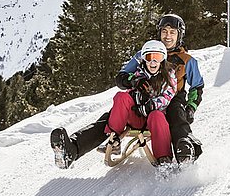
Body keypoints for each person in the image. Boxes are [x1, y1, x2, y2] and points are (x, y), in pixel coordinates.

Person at [50, 13, 206, 168]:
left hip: (171, 100)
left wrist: (191, 107)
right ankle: (72, 149)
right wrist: (130, 80)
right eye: (164, 31)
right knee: (110, 117)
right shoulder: (144, 54)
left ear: (179, 35)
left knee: (177, 115)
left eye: (172, 32)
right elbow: (123, 75)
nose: (168, 36)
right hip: (141, 99)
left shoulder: (187, 60)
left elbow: (197, 86)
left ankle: (185, 148)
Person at [51, 40, 177, 168]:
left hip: (154, 118)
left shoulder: (169, 75)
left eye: (158, 58)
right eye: (149, 57)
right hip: (136, 115)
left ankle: (164, 160)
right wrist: (133, 82)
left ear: (163, 59)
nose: (153, 62)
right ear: (143, 58)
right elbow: (122, 79)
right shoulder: (139, 72)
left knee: (158, 116)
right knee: (120, 98)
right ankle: (113, 138)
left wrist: (151, 106)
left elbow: (169, 95)